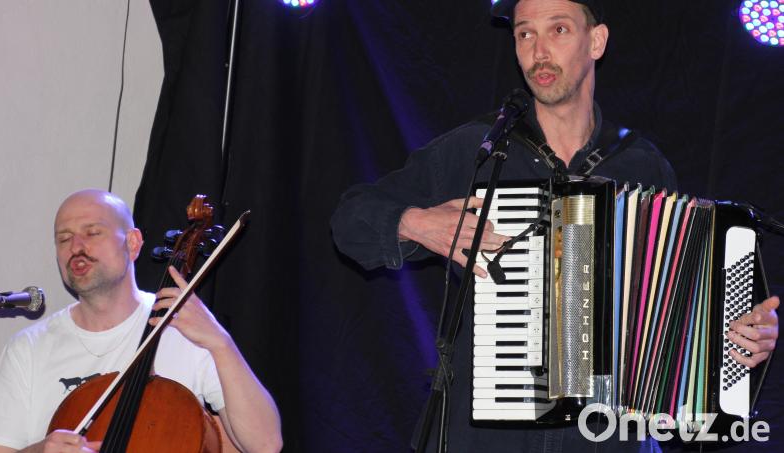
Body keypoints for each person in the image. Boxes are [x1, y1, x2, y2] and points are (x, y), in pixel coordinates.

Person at [330, 0, 779, 451]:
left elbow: (679, 311)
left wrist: (736, 341)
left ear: (596, 41)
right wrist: (415, 223)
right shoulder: (479, 150)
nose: (538, 51)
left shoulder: (642, 165)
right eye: (525, 34)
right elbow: (350, 219)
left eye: (558, 30)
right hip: (489, 439)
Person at [0, 189, 283, 453]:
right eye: (64, 238)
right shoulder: (28, 348)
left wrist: (220, 343)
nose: (76, 247)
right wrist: (39, 451)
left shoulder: (182, 326)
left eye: (92, 232)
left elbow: (265, 444)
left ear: (133, 243)